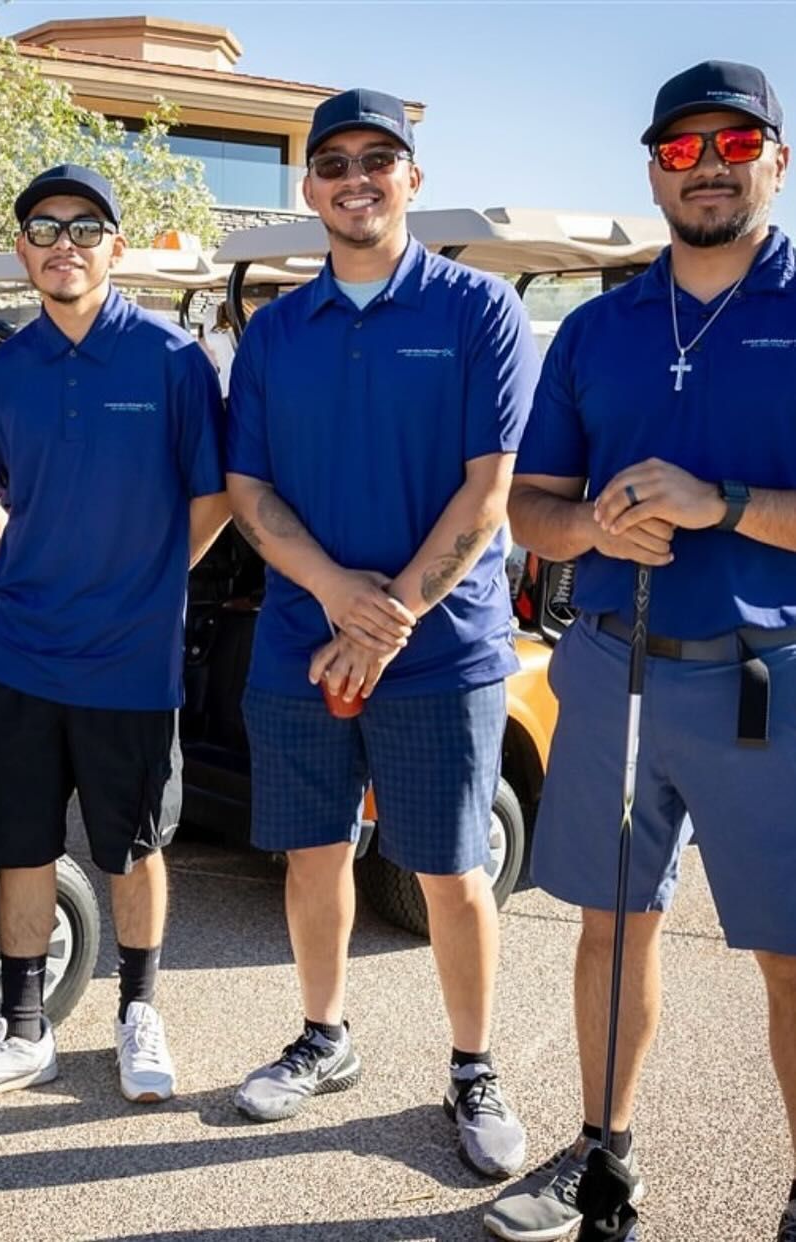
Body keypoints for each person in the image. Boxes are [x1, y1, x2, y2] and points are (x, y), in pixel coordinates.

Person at [485, 61, 796, 1242]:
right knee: (612, 926)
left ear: (776, 157)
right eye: (681, 149)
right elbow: (534, 511)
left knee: (788, 955)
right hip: (613, 666)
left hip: (772, 677)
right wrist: (592, 527)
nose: (707, 166)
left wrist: (723, 500)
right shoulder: (603, 326)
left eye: (733, 144)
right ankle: (601, 1157)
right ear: (654, 169)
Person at [225, 89, 539, 1179]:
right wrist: (335, 597)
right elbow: (248, 486)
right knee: (313, 858)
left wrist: (388, 618)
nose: (356, 177)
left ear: (412, 176)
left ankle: (472, 1066)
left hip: (442, 653)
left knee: (450, 872)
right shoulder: (271, 332)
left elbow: (489, 491)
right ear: (310, 188)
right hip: (299, 643)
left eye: (379, 158)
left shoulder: (478, 311)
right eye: (334, 162)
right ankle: (325, 1037)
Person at [0, 165, 228, 1108]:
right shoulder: (2, 370)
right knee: (19, 846)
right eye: (45, 228)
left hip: (131, 661)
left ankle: (139, 1014)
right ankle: (21, 1033)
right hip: (20, 653)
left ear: (115, 247)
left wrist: (148, 579)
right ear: (23, 250)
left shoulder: (173, 360)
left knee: (130, 848)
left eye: (85, 227)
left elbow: (213, 499)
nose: (65, 243)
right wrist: (18, 570)